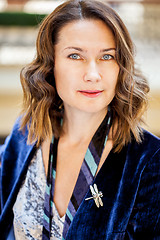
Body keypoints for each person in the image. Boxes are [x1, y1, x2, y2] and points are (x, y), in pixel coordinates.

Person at [0, 0, 160, 239]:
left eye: (107, 57)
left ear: (121, 67)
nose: (93, 74)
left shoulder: (150, 160)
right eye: (75, 56)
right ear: (51, 63)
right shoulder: (25, 134)